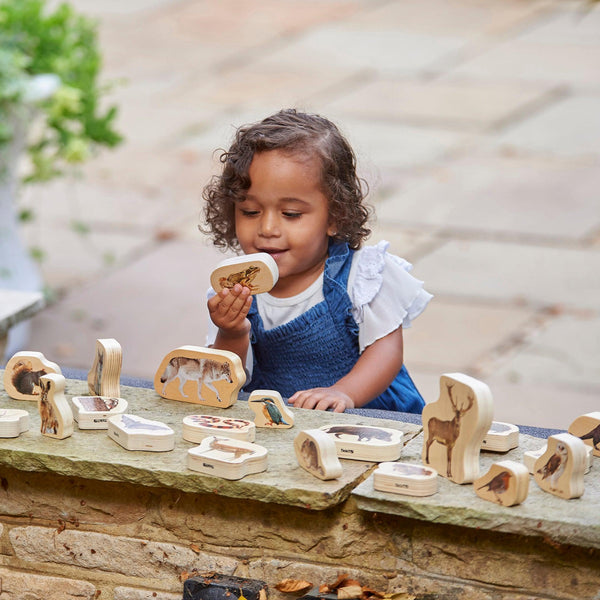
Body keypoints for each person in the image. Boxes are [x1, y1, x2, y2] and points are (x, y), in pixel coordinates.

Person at [201, 109, 432, 413]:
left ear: (334, 216)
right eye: (250, 212)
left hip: (370, 420)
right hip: (281, 425)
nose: (267, 229)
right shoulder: (237, 290)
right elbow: (226, 380)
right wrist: (232, 331)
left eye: (291, 214)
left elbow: (386, 352)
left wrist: (344, 393)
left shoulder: (361, 277)